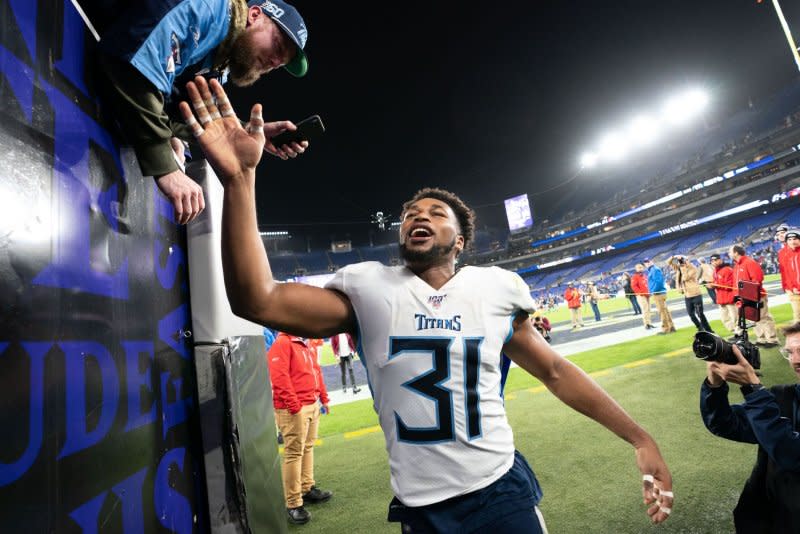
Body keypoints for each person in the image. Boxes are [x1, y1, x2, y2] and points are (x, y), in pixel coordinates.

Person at [177, 77, 675, 531]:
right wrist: (241, 180)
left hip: (499, 491)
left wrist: (639, 437)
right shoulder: (368, 287)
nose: (419, 216)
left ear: (460, 241)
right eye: (410, 213)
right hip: (420, 508)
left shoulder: (496, 287)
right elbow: (257, 300)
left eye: (437, 214)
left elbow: (556, 372)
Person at [96, 0, 310, 224]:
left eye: (280, 63)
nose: (274, 62)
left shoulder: (220, 60)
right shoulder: (205, 8)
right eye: (277, 46)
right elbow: (133, 68)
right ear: (254, 15)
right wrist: (166, 168)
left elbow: (182, 114)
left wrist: (248, 131)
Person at [700, 322, 800, 533]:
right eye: (790, 352)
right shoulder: (783, 396)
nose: (796, 360)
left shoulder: (769, 400)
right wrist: (714, 385)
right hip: (770, 518)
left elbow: (792, 453)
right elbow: (723, 423)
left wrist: (753, 389)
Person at [267, 332, 333, 524]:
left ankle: (306, 488)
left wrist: (323, 397)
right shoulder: (282, 342)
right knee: (294, 453)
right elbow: (279, 376)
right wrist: (294, 405)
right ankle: (293, 504)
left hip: (310, 404)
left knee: (307, 447)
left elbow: (316, 371)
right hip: (295, 408)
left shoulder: (303, 343)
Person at [730, 245, 779, 347]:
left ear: (736, 252)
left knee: (763, 317)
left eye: (730, 252)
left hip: (756, 296)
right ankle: (761, 339)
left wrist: (749, 293)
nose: (729, 254)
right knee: (753, 318)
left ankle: (772, 339)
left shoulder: (749, 262)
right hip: (745, 297)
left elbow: (757, 279)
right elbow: (736, 284)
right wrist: (737, 295)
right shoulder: (736, 266)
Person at [668, 255, 713, 333]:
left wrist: (683, 266)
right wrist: (673, 257)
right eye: (681, 261)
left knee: (700, 314)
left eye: (684, 260)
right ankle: (700, 328)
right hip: (687, 295)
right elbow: (668, 263)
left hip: (695, 294)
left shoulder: (693, 268)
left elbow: (685, 278)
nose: (682, 262)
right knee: (691, 314)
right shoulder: (679, 268)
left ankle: (709, 330)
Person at [710, 254, 739, 337]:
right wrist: (713, 285)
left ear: (720, 260)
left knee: (735, 318)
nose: (714, 262)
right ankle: (735, 332)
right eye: (712, 261)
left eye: (716, 260)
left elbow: (730, 285)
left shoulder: (728, 269)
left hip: (729, 298)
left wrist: (715, 285)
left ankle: (739, 333)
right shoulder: (715, 271)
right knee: (724, 319)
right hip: (721, 299)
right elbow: (718, 284)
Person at [644, 259, 675, 334]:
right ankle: (671, 327)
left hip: (658, 293)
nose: (647, 263)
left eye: (648, 261)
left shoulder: (654, 270)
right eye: (645, 262)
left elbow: (659, 282)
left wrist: (653, 291)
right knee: (665, 311)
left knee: (662, 311)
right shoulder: (652, 270)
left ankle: (666, 329)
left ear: (652, 262)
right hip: (659, 292)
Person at [778, 229, 800, 323]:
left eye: (795, 239)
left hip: (797, 289)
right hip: (794, 291)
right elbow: (786, 274)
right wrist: (789, 288)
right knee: (797, 317)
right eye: (789, 239)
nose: (792, 241)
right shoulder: (786, 255)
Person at [632, 264, 655, 330]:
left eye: (641, 267)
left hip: (647, 294)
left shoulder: (644, 275)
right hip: (641, 295)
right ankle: (646, 324)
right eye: (639, 267)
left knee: (648, 309)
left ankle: (649, 323)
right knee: (645, 309)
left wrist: (649, 291)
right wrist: (641, 293)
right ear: (636, 269)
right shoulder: (635, 277)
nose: (640, 268)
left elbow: (647, 284)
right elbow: (634, 286)